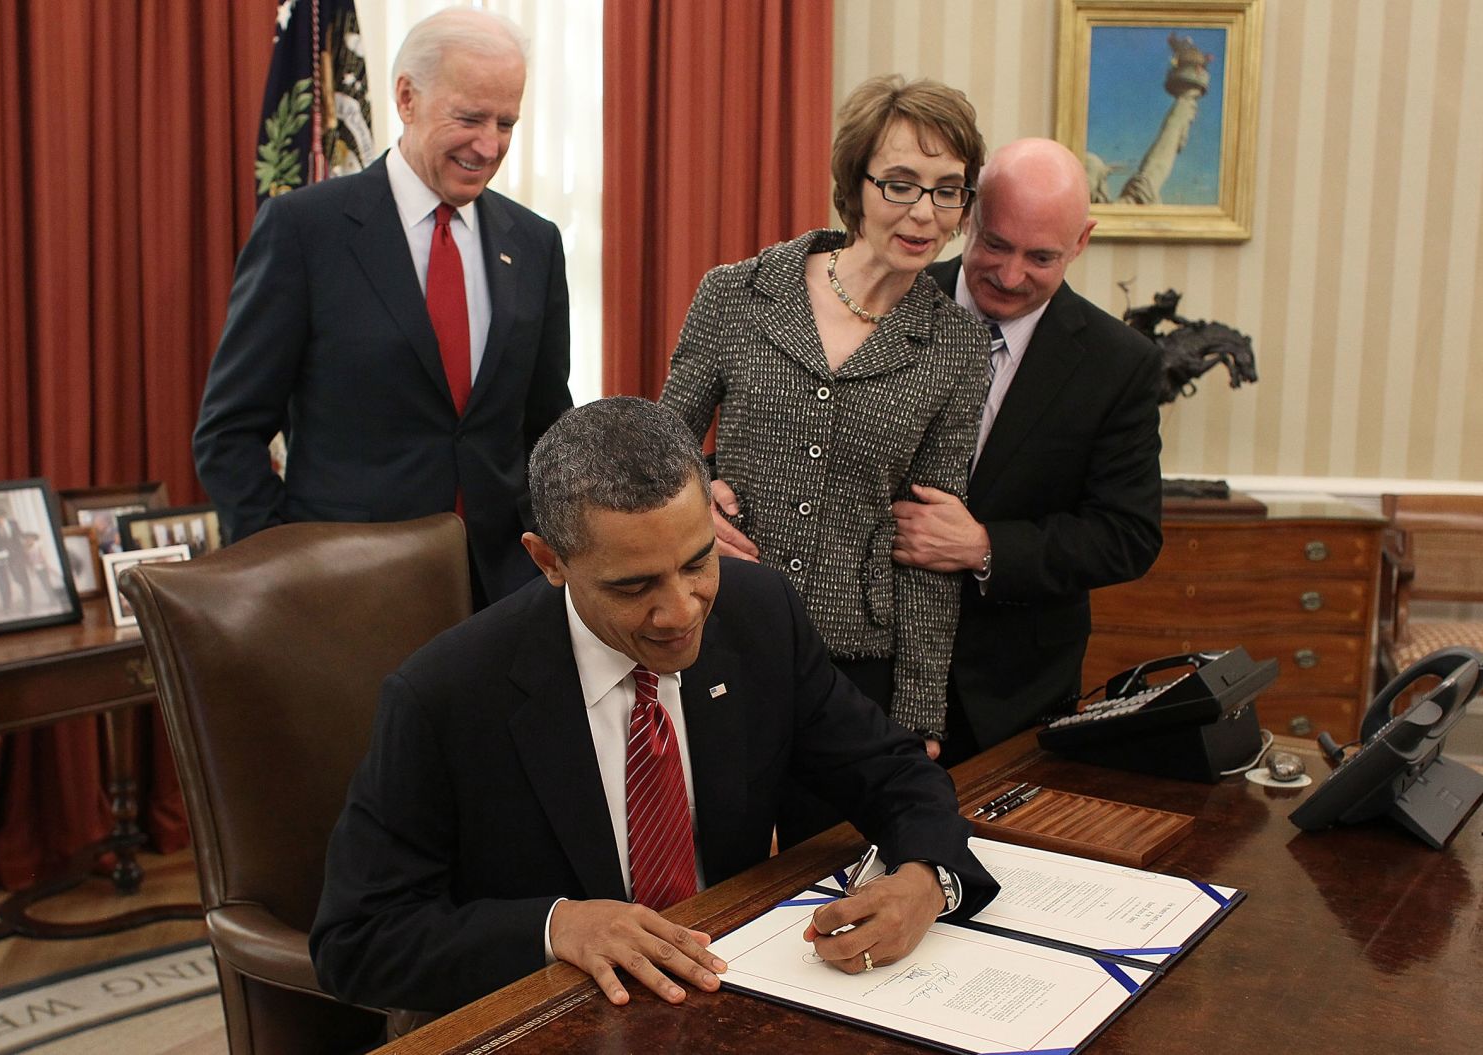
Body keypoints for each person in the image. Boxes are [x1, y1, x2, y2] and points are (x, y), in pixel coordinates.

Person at [310, 397, 999, 1019]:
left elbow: (896, 773)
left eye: (699, 561)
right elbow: (358, 941)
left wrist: (928, 880)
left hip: (729, 996)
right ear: (549, 560)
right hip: (553, 1017)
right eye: (635, 584)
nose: (680, 610)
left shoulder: (759, 615)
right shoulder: (444, 696)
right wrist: (557, 927)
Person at [659, 75, 990, 785]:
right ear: (856, 184)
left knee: (828, 875)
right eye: (899, 183)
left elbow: (931, 539)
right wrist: (695, 501)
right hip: (717, 630)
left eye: (947, 189)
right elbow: (662, 450)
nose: (924, 213)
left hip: (855, 663)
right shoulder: (736, 293)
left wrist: (920, 710)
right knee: (717, 864)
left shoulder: (958, 347)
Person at [193, 6, 571, 607]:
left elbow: (548, 426)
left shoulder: (535, 243)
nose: (489, 144)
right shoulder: (304, 231)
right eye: (470, 118)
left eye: (506, 122)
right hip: (346, 591)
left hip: (504, 592)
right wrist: (279, 564)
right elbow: (229, 432)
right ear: (406, 98)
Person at [895, 138, 1164, 764]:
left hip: (1012, 697)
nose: (1010, 276)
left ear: (1081, 242)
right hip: (867, 675)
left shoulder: (1119, 364)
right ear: (968, 215)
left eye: (1041, 257)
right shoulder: (884, 307)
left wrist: (985, 547)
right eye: (994, 244)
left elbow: (1127, 533)